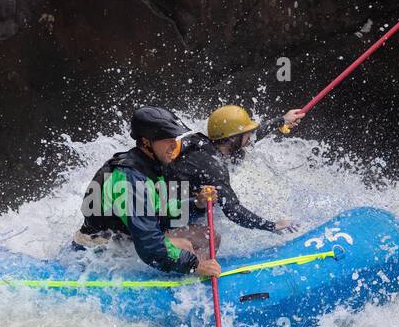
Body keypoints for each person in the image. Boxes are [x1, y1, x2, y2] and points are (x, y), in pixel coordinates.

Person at [75, 107, 222, 278]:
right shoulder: (130, 178)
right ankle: (190, 277)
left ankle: (197, 279)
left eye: (174, 138)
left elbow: (163, 214)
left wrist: (197, 204)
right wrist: (194, 265)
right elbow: (150, 246)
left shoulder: (151, 166)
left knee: (210, 236)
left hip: (128, 236)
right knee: (185, 246)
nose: (174, 145)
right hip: (101, 248)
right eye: (166, 139)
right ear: (146, 142)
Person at [169, 104, 305, 235]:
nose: (251, 136)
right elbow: (233, 211)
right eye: (247, 133)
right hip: (168, 216)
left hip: (174, 199)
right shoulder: (213, 167)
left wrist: (282, 120)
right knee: (212, 236)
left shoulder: (211, 145)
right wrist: (273, 225)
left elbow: (254, 135)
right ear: (233, 137)